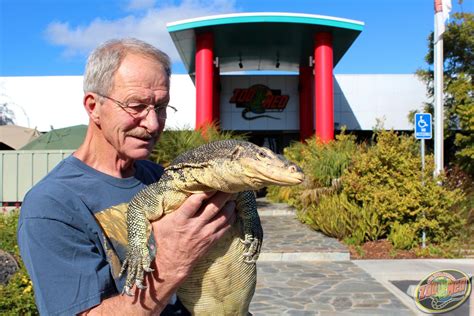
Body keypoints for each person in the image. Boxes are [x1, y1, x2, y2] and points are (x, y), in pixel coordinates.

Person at [17, 38, 236, 315]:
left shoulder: (159, 176)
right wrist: (172, 263)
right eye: (136, 106)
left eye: (161, 107)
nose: (153, 123)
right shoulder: (52, 205)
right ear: (93, 106)